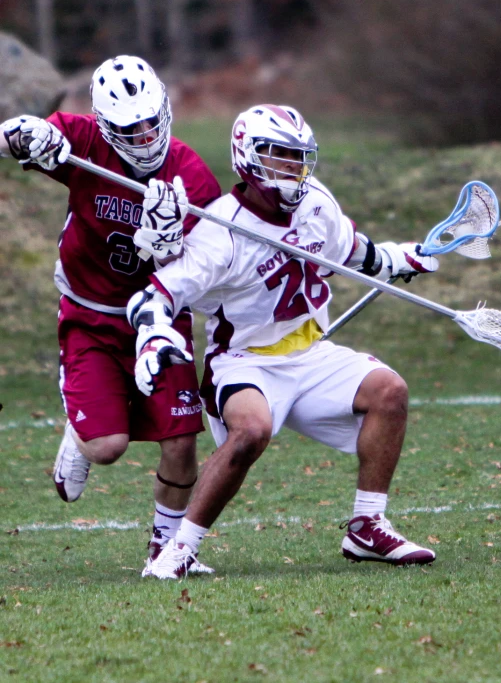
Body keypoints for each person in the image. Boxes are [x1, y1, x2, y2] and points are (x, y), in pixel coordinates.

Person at [125, 103, 440, 580]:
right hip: (243, 361)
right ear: (247, 158)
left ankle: (367, 526)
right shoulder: (221, 230)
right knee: (251, 431)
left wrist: (398, 259)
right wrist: (152, 337)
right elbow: (155, 295)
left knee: (389, 391)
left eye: (298, 157)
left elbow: (352, 250)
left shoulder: (316, 203)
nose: (292, 168)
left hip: (311, 353)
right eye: (278, 156)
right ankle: (178, 549)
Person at [0, 55, 221, 576]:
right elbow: (12, 137)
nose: (144, 135)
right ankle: (80, 429)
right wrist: (28, 135)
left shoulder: (191, 174)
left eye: (151, 121)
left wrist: (170, 246)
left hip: (161, 317)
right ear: (105, 125)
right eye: (130, 127)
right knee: (107, 448)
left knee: (181, 439)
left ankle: (165, 551)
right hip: (92, 314)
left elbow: (206, 267)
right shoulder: (84, 141)